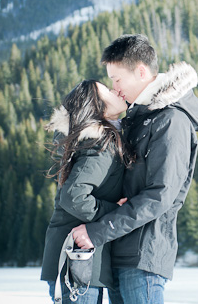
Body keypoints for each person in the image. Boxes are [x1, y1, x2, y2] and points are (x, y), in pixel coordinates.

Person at [71, 34, 198, 304]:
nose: (115, 87)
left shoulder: (170, 120)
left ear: (141, 71)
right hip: (120, 251)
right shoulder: (138, 118)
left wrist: (98, 231)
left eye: (117, 79)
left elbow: (160, 195)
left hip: (143, 257)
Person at [40, 80, 135, 304]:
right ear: (97, 106)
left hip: (78, 259)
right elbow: (74, 196)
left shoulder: (92, 140)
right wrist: (116, 211)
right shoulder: (99, 142)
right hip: (77, 259)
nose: (114, 90)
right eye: (107, 91)